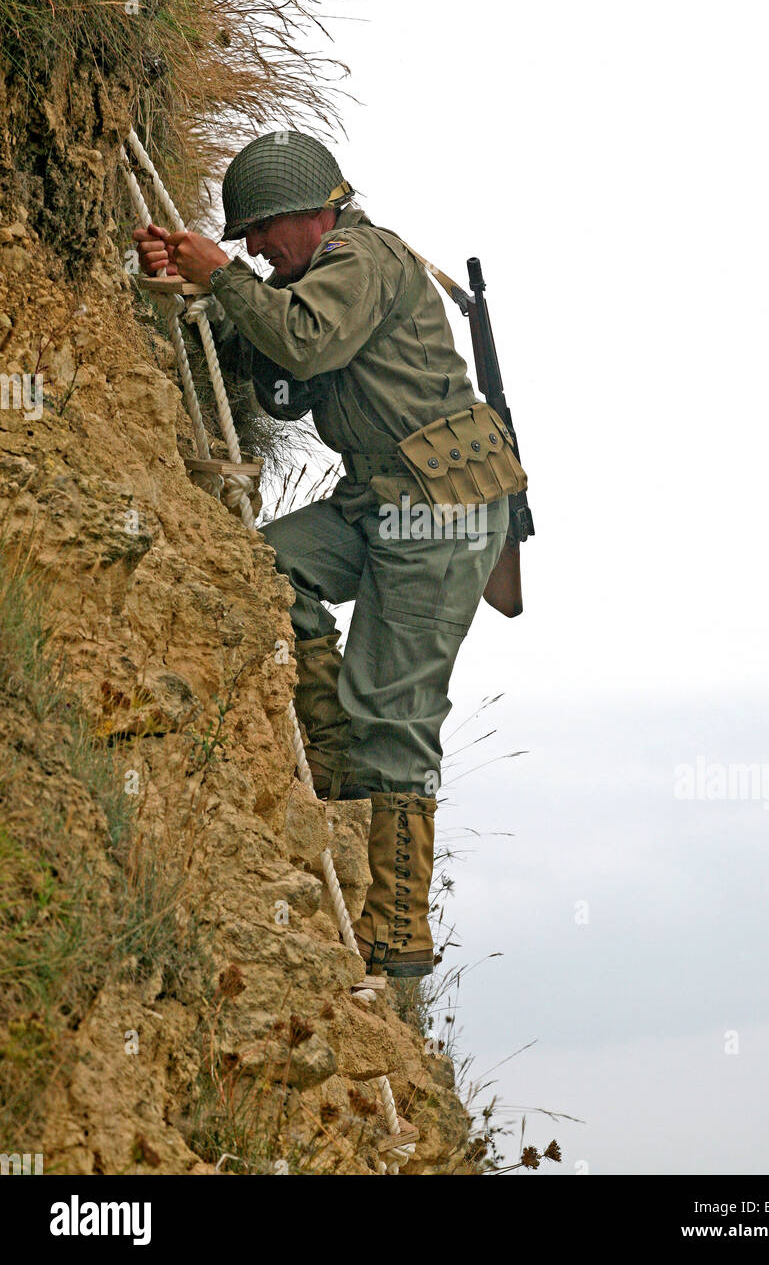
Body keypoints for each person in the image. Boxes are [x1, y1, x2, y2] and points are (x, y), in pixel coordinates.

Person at [133, 130, 525, 977]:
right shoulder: (310, 275)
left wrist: (220, 276)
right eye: (245, 240)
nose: (256, 249)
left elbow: (305, 342)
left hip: (441, 510)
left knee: (396, 708)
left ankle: (394, 936)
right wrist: (192, 291)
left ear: (313, 215)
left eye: (263, 232)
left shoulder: (359, 256)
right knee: (265, 570)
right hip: (381, 495)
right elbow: (276, 362)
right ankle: (337, 766)